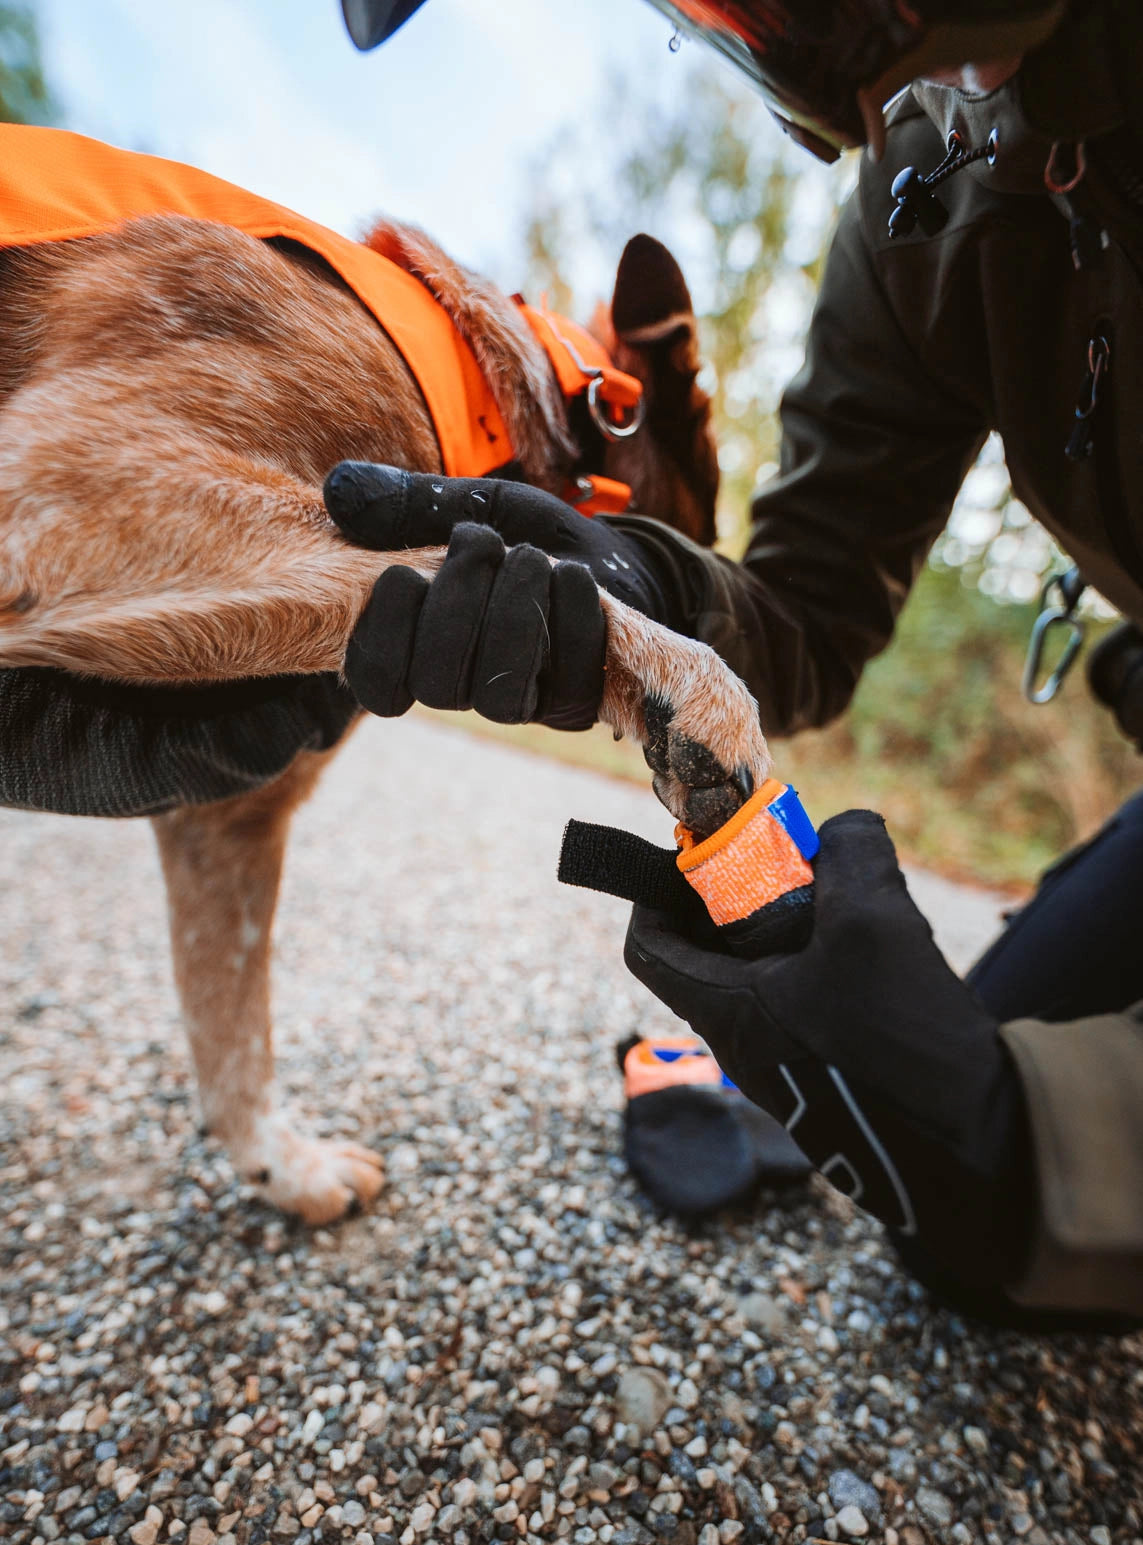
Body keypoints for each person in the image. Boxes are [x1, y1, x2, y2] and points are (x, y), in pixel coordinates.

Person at [323, 0, 1143, 1328]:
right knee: (940, 1172)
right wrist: (646, 589)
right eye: (723, 15)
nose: (857, 108)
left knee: (1036, 1167)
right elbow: (811, 617)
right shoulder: (929, 187)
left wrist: (1061, 1141)